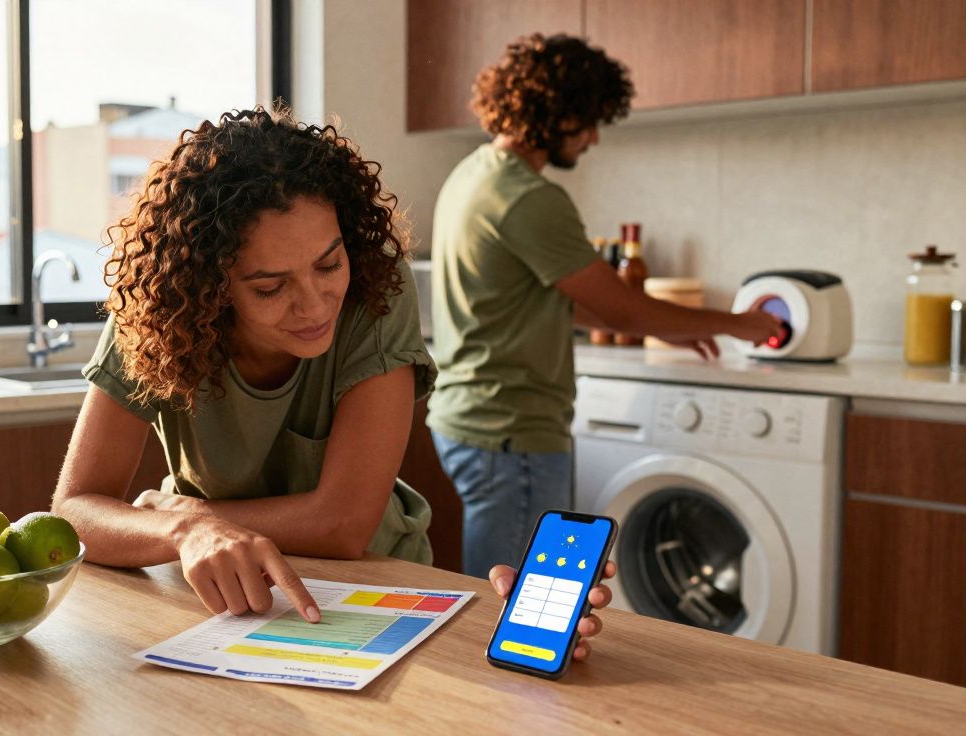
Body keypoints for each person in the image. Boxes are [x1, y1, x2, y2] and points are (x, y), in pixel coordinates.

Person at [51, 108, 614, 662]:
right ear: (208, 287)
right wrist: (181, 532)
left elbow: (344, 523)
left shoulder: (377, 289)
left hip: (375, 582)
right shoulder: (159, 315)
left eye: (329, 264)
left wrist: (191, 516)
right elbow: (73, 511)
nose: (315, 304)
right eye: (270, 288)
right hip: (222, 589)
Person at [428, 35, 783, 578]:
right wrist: (738, 324)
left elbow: (555, 301)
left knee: (499, 595)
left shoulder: (474, 175)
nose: (593, 137)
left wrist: (665, 330)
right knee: (516, 605)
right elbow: (622, 311)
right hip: (511, 432)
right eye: (588, 120)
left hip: (471, 422)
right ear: (555, 112)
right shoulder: (530, 198)